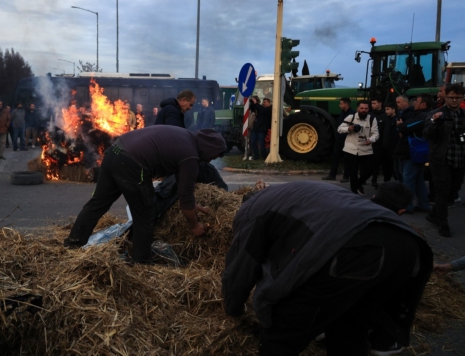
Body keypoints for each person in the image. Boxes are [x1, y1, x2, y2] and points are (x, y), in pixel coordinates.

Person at [222, 181, 433, 356]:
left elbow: (242, 265)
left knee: (284, 328)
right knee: (350, 324)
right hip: (408, 247)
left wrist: (233, 307)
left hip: (357, 246)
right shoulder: (296, 194)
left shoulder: (252, 212)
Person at [64, 126, 227, 263]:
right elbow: (185, 196)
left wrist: (191, 205)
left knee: (98, 203)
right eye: (215, 155)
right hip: (133, 163)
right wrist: (194, 225)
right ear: (210, 148)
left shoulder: (184, 137)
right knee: (145, 213)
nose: (212, 160)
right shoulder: (191, 155)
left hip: (115, 152)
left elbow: (183, 189)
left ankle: (73, 244)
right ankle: (141, 263)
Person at [424, 84, 465, 237]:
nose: (454, 100)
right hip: (440, 159)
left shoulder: (463, 115)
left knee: (452, 192)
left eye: (458, 97)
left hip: (459, 158)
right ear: (445, 97)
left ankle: (433, 214)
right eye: (451, 97)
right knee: (441, 192)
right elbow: (427, 134)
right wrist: (436, 123)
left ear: (462, 98)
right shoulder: (436, 114)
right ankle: (443, 224)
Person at [395, 94, 432, 215]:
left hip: (414, 151)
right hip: (414, 151)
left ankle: (408, 206)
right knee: (418, 178)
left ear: (424, 105)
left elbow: (405, 127)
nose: (414, 102)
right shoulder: (418, 115)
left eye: (417, 101)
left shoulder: (422, 116)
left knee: (408, 178)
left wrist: (400, 126)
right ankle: (423, 204)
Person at [338, 100, 379, 195]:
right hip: (351, 149)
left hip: (366, 149)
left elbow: (376, 134)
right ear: (357, 109)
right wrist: (349, 128)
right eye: (362, 108)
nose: (364, 110)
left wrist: (371, 140)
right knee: (353, 172)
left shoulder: (372, 119)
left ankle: (358, 184)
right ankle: (354, 193)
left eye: (366, 108)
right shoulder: (351, 117)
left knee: (370, 169)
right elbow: (339, 129)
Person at [322, 97, 355, 182]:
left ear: (346, 104)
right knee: (335, 156)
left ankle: (346, 176)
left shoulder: (352, 114)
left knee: (346, 158)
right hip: (339, 138)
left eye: (341, 103)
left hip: (347, 138)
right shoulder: (342, 113)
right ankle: (332, 174)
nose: (339, 105)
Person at [370, 98, 386, 188]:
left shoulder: (384, 115)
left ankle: (376, 179)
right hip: (371, 142)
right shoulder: (370, 115)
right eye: (372, 103)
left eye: (374, 103)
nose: (372, 105)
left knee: (379, 162)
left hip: (380, 143)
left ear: (380, 103)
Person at [382, 102, 400, 181]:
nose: (386, 111)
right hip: (385, 148)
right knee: (386, 169)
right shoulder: (385, 119)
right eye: (385, 109)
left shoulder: (398, 119)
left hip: (394, 148)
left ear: (394, 110)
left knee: (396, 169)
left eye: (388, 109)